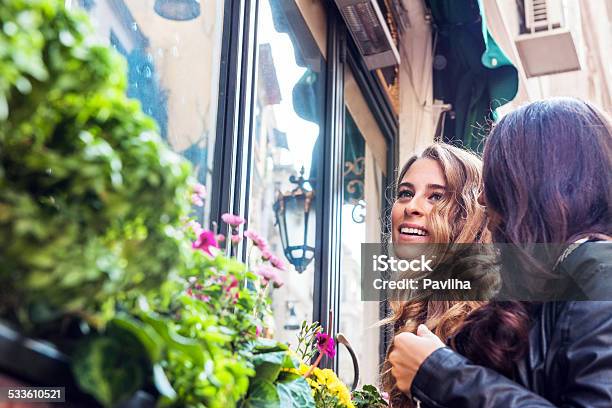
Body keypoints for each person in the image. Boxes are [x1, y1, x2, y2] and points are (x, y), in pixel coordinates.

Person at [388, 98, 612, 407]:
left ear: (534, 185)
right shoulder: (550, 286)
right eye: (405, 193)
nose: (482, 198)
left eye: (496, 179)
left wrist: (438, 373)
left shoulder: (602, 274)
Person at [381, 143, 498, 407]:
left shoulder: (494, 313)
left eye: (435, 197)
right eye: (405, 193)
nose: (411, 206)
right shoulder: (419, 304)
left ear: (471, 213)